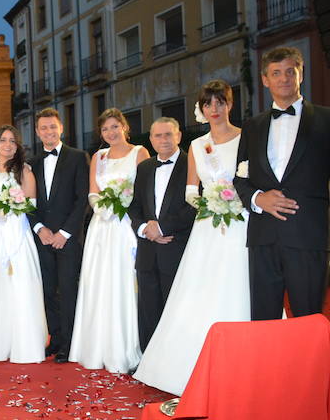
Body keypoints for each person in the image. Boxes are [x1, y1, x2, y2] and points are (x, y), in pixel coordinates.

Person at [135, 81, 250, 395]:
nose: (215, 109)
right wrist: (211, 203)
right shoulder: (200, 146)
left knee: (236, 286)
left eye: (220, 102)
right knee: (197, 292)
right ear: (202, 108)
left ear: (229, 104)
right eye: (209, 103)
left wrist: (232, 203)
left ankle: (243, 367)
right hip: (208, 224)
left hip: (239, 223)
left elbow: (250, 181)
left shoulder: (246, 138)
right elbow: (190, 193)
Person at [234, 46, 330, 320]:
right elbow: (240, 180)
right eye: (276, 73)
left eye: (290, 71)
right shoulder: (252, 126)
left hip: (308, 237)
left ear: (301, 74)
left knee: (308, 320)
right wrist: (257, 199)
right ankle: (269, 365)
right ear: (265, 79)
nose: (284, 78)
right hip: (263, 239)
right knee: (263, 321)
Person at [69, 109, 149, 373]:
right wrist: (101, 207)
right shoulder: (98, 157)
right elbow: (93, 191)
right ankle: (97, 347)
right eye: (105, 129)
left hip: (126, 225)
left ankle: (126, 347)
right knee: (99, 282)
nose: (111, 133)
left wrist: (123, 207)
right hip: (101, 227)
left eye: (115, 127)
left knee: (124, 281)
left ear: (124, 127)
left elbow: (144, 190)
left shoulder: (139, 152)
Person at [0, 125, 47, 364]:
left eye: (12, 141)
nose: (7, 145)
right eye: (3, 140)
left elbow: (32, 203)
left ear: (18, 146)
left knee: (19, 283)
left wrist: (12, 207)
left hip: (16, 232)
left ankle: (23, 343)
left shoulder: (24, 171)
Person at [26, 108, 89, 363]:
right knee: (48, 291)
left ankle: (70, 342)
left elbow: (82, 199)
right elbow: (27, 202)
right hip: (43, 238)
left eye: (53, 127)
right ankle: (55, 337)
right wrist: (39, 228)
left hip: (68, 238)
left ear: (61, 128)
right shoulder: (33, 163)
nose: (48, 132)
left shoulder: (78, 157)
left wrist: (64, 232)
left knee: (68, 290)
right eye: (43, 128)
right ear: (38, 132)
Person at [128, 118, 196, 351]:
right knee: (148, 309)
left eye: (168, 134)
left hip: (177, 249)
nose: (163, 140)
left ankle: (174, 362)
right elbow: (135, 206)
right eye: (158, 136)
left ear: (179, 136)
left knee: (176, 309)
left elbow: (195, 206)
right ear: (151, 139)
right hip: (147, 250)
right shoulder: (145, 168)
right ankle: (148, 362)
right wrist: (144, 229)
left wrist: (163, 227)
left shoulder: (191, 164)